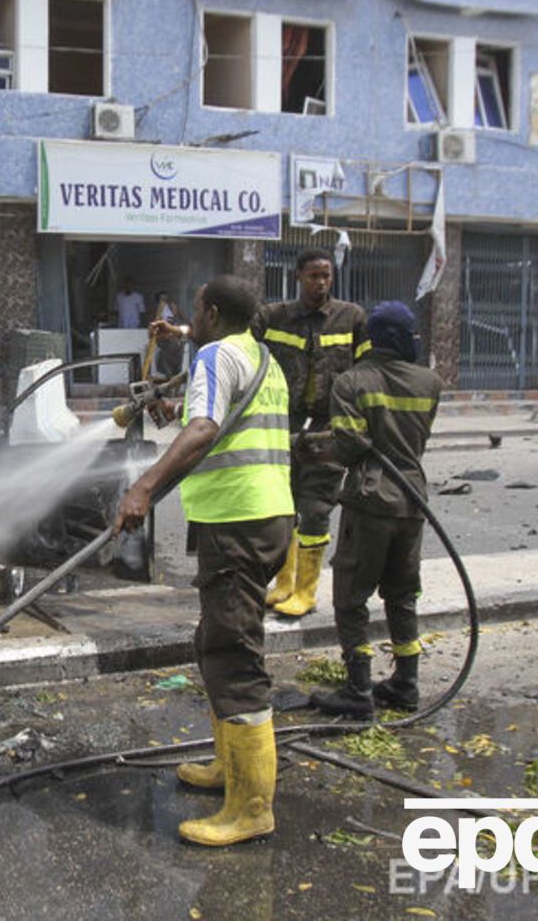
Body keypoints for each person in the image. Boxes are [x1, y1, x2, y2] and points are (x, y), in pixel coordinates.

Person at [116, 275, 293, 847]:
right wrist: (174, 398)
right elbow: (213, 425)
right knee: (214, 640)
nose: (194, 319)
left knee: (233, 653)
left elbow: (205, 427)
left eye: (196, 311)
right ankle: (229, 769)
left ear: (213, 313)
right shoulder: (260, 355)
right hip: (266, 517)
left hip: (237, 522)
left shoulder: (216, 355)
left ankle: (250, 807)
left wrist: (143, 485)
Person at [305, 301, 442, 717]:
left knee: (350, 596)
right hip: (413, 500)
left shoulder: (353, 381)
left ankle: (359, 688)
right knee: (402, 595)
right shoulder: (430, 382)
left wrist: (312, 448)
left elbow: (350, 447)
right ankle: (406, 683)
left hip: (370, 501)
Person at [252, 248, 367, 618]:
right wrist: (185, 331)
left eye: (326, 276)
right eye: (314, 275)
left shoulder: (351, 318)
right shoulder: (274, 317)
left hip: (327, 427)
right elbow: (233, 339)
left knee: (315, 507)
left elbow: (368, 369)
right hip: (283, 423)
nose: (321, 282)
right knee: (283, 506)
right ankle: (283, 583)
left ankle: (306, 591)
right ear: (297, 276)